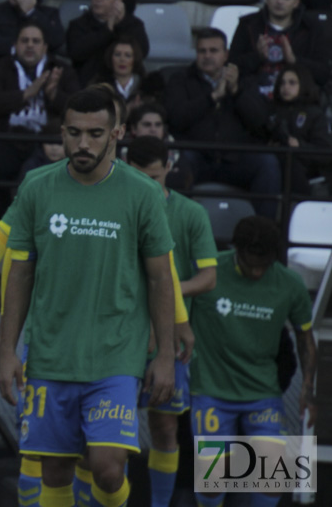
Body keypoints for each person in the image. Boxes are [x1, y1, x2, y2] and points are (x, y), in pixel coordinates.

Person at [0, 86, 177, 507]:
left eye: (95, 134)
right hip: (49, 356)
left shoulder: (143, 194)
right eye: (73, 132)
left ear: (117, 134)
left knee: (107, 467)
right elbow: (18, 274)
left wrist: (164, 355)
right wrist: (6, 350)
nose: (82, 143)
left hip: (115, 357)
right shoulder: (37, 187)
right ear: (62, 131)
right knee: (55, 468)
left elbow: (160, 280)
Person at [188, 215, 316, 507]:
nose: (257, 272)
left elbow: (306, 340)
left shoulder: (290, 284)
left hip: (263, 394)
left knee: (273, 479)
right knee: (212, 479)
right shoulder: (207, 271)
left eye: (264, 264)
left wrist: (307, 389)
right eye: (250, 264)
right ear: (236, 251)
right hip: (210, 391)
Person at [125, 134, 218, 507]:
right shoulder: (118, 207)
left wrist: (165, 293)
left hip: (171, 341)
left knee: (165, 426)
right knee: (106, 434)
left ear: (169, 167)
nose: (148, 186)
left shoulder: (191, 213)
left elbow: (209, 277)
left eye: (154, 177)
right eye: (139, 178)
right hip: (122, 338)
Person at [165, 28, 281, 218]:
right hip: (197, 156)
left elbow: (259, 120)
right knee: (178, 162)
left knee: (267, 163)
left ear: (226, 54)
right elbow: (176, 118)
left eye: (213, 51)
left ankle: (263, 234)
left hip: (236, 158)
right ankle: (175, 236)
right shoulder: (180, 79)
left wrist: (236, 91)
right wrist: (212, 97)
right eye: (202, 51)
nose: (207, 56)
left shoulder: (244, 80)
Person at [0, 22, 79, 216]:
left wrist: (54, 95)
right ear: (15, 45)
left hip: (47, 141)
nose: (30, 45)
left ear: (45, 47)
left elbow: (78, 109)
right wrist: (26, 94)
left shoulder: (62, 70)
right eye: (24, 41)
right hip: (7, 139)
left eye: (36, 41)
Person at [229, 0, 330, 95]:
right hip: (253, 95)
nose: (280, 1)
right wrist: (257, 57)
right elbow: (232, 66)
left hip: (296, 98)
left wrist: (294, 60)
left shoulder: (312, 29)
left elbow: (323, 74)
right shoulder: (247, 24)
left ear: (296, 2)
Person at [66, 0, 149, 87]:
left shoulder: (133, 24)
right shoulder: (78, 24)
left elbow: (142, 52)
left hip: (126, 85)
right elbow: (76, 52)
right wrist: (107, 29)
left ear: (119, 0)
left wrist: (121, 23)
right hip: (91, 85)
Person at [265, 64, 332, 195]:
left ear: (303, 84)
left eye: (292, 83)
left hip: (308, 173)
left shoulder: (315, 114)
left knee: (291, 162)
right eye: (282, 83)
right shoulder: (272, 111)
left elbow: (324, 152)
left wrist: (299, 145)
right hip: (276, 169)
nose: (286, 87)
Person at [93, 38, 146, 109]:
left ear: (135, 59)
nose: (122, 59)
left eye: (128, 55)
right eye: (117, 54)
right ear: (111, 58)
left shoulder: (146, 87)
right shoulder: (99, 87)